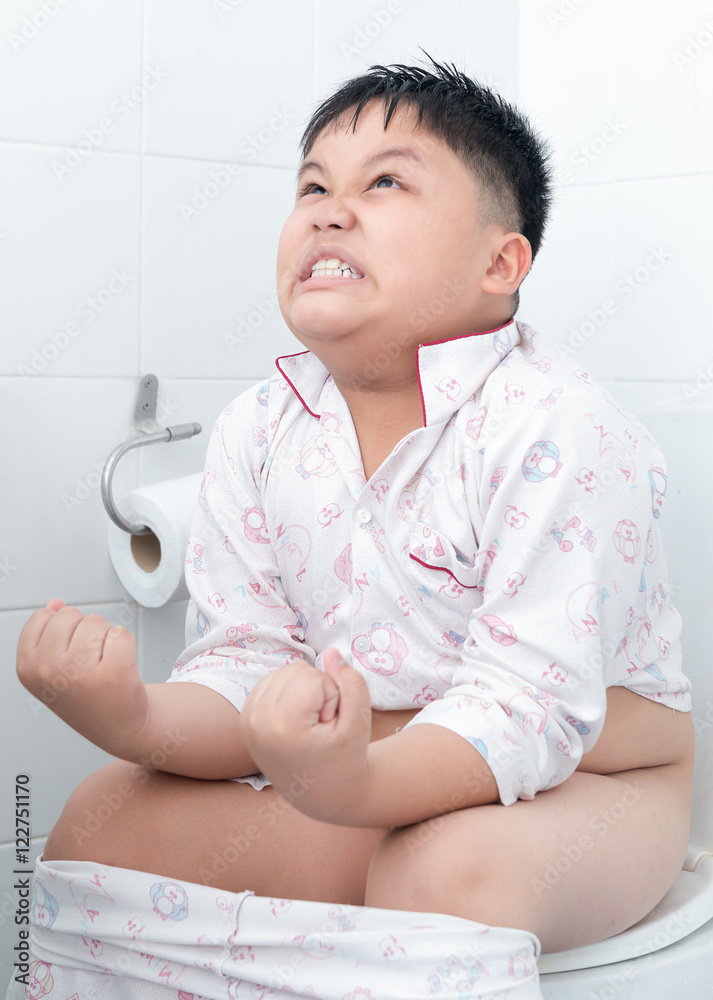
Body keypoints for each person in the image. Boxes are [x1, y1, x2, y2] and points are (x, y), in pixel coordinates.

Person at [17, 53, 694, 962]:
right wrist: (129, 716)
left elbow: (529, 709)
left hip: (594, 779)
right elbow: (246, 670)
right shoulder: (258, 430)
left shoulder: (556, 426)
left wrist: (351, 781)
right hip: (357, 768)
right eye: (311, 187)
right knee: (100, 820)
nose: (330, 209)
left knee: (438, 879)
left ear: (501, 261)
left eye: (384, 183)